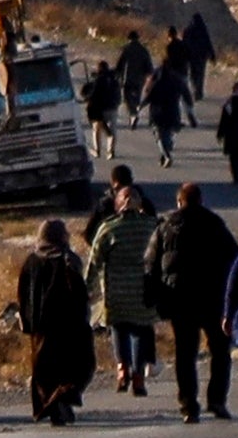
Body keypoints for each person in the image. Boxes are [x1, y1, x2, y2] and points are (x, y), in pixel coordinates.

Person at [156, 184, 238, 423]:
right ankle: (217, 400)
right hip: (212, 297)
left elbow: (151, 262)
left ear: (179, 201)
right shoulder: (214, 224)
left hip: (180, 298)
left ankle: (188, 404)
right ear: (200, 200)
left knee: (185, 353)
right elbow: (234, 258)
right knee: (220, 350)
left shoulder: (167, 226)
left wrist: (155, 296)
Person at [80, 177, 163, 405]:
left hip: (115, 289)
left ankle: (121, 368)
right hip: (143, 290)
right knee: (139, 330)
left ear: (118, 204)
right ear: (139, 203)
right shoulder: (152, 226)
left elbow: (94, 262)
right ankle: (138, 376)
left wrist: (87, 290)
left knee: (118, 328)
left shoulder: (109, 227)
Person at [14, 215, 94, 424]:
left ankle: (54, 405)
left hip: (40, 326)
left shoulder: (31, 261)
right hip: (70, 323)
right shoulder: (69, 259)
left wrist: (25, 320)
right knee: (77, 366)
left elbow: (23, 294)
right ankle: (61, 399)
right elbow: (79, 292)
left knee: (45, 371)